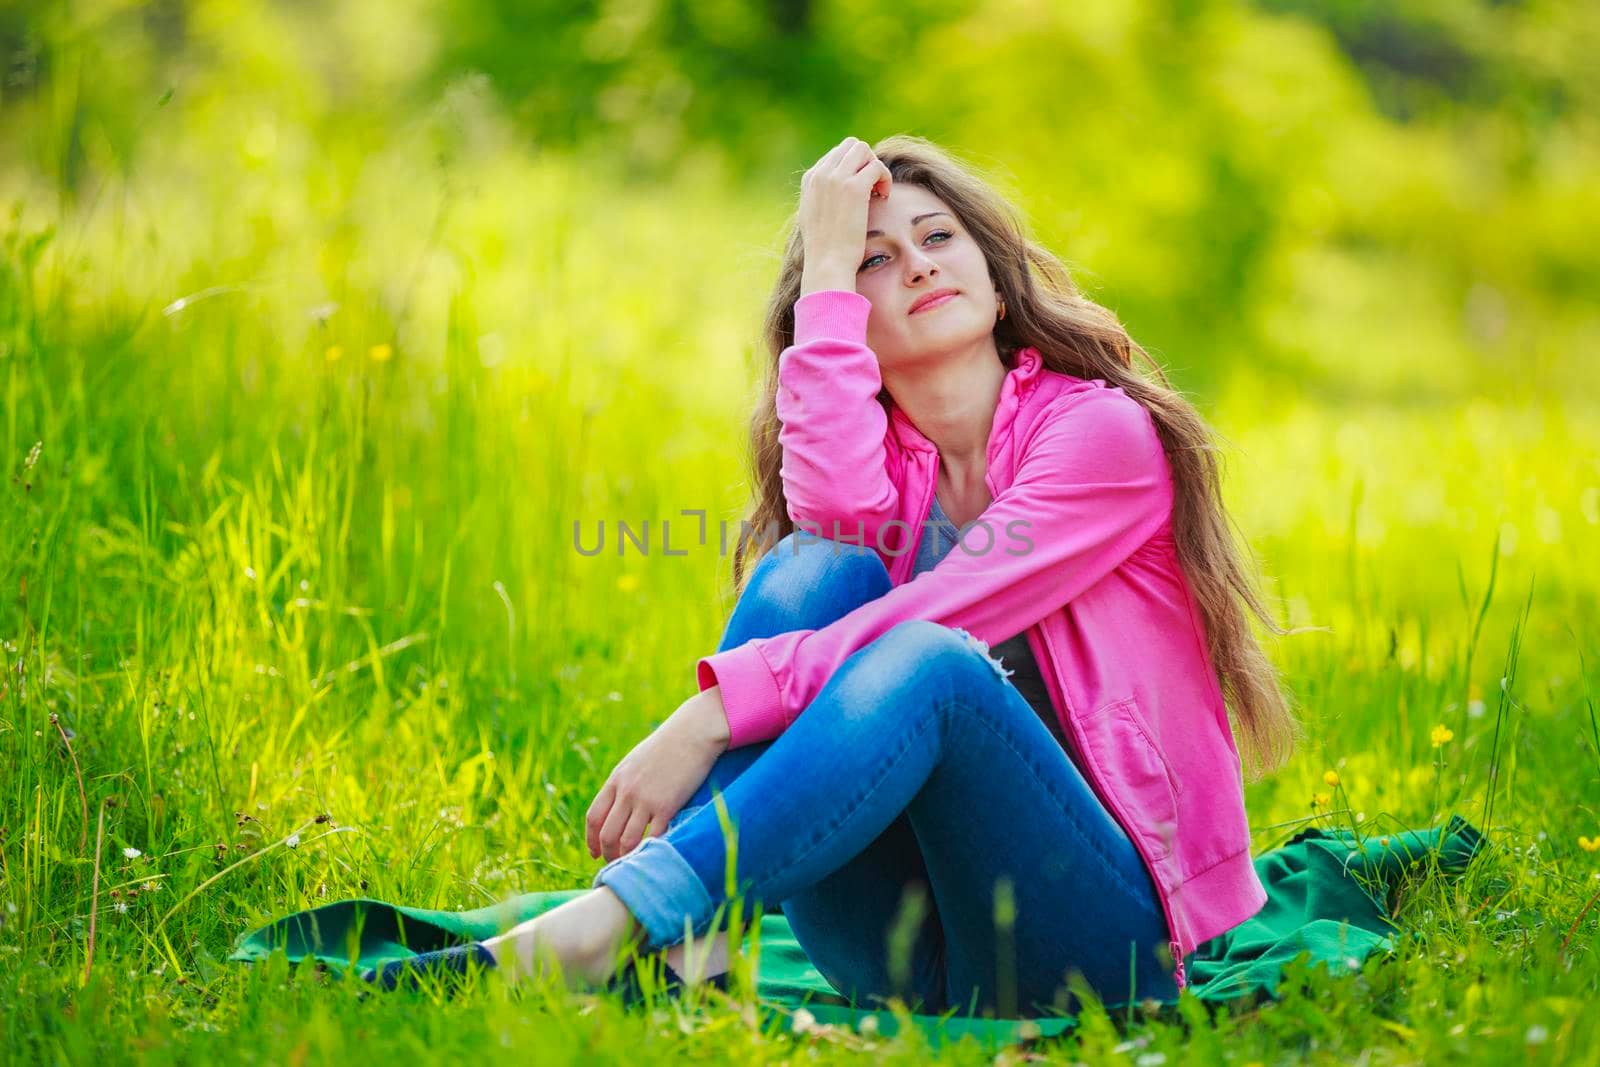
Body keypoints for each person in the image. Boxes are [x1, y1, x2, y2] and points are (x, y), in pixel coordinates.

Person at [364, 134, 1300, 1017]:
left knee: (933, 659)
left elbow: (942, 612)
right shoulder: (894, 465)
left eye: (938, 238)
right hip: (896, 944)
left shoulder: (1100, 437)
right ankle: (701, 950)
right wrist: (822, 261)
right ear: (846, 321)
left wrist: (712, 711)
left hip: (1092, 941)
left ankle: (617, 922)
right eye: (875, 259)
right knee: (813, 569)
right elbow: (832, 520)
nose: (920, 263)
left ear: (999, 281)